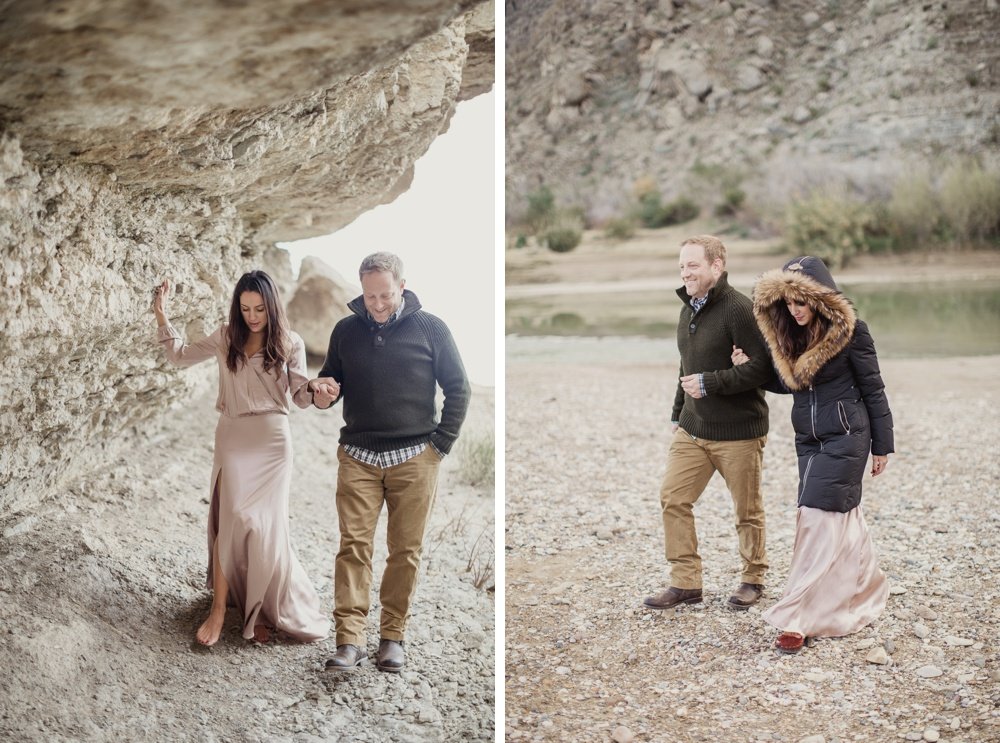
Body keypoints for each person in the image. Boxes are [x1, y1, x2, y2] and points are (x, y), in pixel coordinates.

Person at [310, 251, 470, 673]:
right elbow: (332, 383)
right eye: (368, 296)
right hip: (358, 457)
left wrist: (440, 445)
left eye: (384, 295)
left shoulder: (431, 328)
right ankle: (349, 641)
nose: (376, 304)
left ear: (401, 286)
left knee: (405, 551)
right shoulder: (345, 330)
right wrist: (323, 393)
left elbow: (458, 389)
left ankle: (392, 637)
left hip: (415, 457)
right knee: (354, 547)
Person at [153, 271, 330, 646]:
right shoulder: (226, 336)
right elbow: (179, 355)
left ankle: (262, 607)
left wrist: (315, 389)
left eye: (260, 309)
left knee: (266, 528)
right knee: (233, 520)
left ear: (272, 307)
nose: (252, 316)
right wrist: (161, 313)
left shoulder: (290, 342)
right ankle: (218, 610)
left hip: (273, 443)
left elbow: (299, 396)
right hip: (232, 438)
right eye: (246, 308)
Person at [731, 255, 893, 654]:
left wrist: (883, 446)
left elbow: (873, 389)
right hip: (809, 440)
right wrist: (753, 365)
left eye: (800, 303)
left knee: (816, 518)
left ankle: (798, 618)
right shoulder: (794, 335)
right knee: (837, 516)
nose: (794, 310)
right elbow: (793, 384)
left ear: (820, 299)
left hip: (848, 435)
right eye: (787, 303)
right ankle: (864, 585)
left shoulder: (853, 332)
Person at [643, 235, 775, 613]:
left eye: (693, 265)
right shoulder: (688, 311)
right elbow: (686, 367)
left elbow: (763, 369)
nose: (686, 272)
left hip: (739, 432)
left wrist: (711, 382)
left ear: (717, 266)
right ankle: (685, 583)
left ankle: (753, 579)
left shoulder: (740, 310)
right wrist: (677, 410)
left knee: (747, 510)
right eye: (682, 265)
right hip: (692, 429)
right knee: (673, 498)